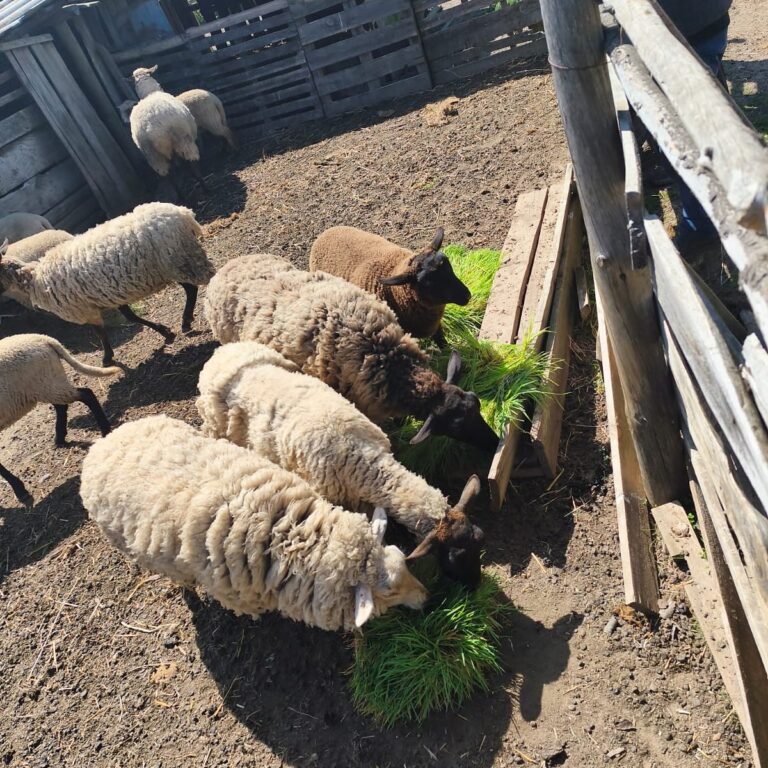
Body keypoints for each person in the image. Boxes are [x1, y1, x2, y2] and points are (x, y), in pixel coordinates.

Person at [653, 0, 732, 255]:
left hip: (681, 25)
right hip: (705, 18)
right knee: (701, 107)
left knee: (682, 133)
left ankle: (702, 226)